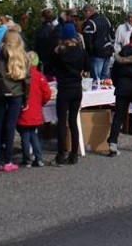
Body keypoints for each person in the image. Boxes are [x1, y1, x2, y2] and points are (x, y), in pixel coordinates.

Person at [0, 29, 30, 172]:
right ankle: (8, 161)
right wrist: (26, 98)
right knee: (10, 127)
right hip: (16, 94)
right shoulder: (23, 57)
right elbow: (27, 81)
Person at [52, 22, 89, 165]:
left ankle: (61, 153)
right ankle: (74, 153)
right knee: (73, 121)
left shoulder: (60, 52)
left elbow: (50, 67)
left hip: (64, 88)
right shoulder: (81, 51)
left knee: (62, 122)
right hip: (77, 88)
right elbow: (87, 67)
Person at [17, 51, 51, 167]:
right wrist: (42, 102)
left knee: (25, 136)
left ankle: (27, 158)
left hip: (24, 111)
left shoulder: (21, 75)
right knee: (34, 135)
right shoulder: (40, 77)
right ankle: (39, 157)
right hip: (36, 111)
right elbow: (47, 94)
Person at [81, 4, 115, 81]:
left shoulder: (90, 23)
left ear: (88, 12)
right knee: (104, 78)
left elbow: (87, 41)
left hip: (96, 54)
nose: (84, 16)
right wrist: (111, 47)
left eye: (84, 13)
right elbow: (112, 36)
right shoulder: (106, 20)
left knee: (96, 79)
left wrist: (88, 55)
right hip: (108, 51)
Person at [33, 8, 58, 75]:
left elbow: (37, 46)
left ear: (43, 18)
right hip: (54, 60)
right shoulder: (55, 29)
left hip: (43, 59)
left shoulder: (40, 30)